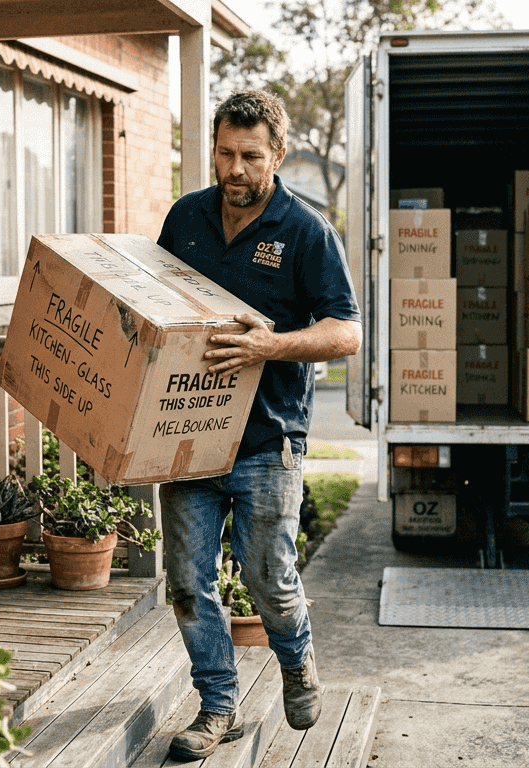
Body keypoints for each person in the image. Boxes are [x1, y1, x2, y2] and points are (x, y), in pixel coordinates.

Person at [155, 89, 362, 760]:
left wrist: (270, 346)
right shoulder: (186, 218)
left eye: (250, 156)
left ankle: (296, 661)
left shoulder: (306, 231)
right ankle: (218, 706)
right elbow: (155, 303)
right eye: (224, 153)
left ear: (278, 154)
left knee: (269, 577)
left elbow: (346, 332)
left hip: (269, 440)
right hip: (186, 435)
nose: (235, 169)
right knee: (189, 583)